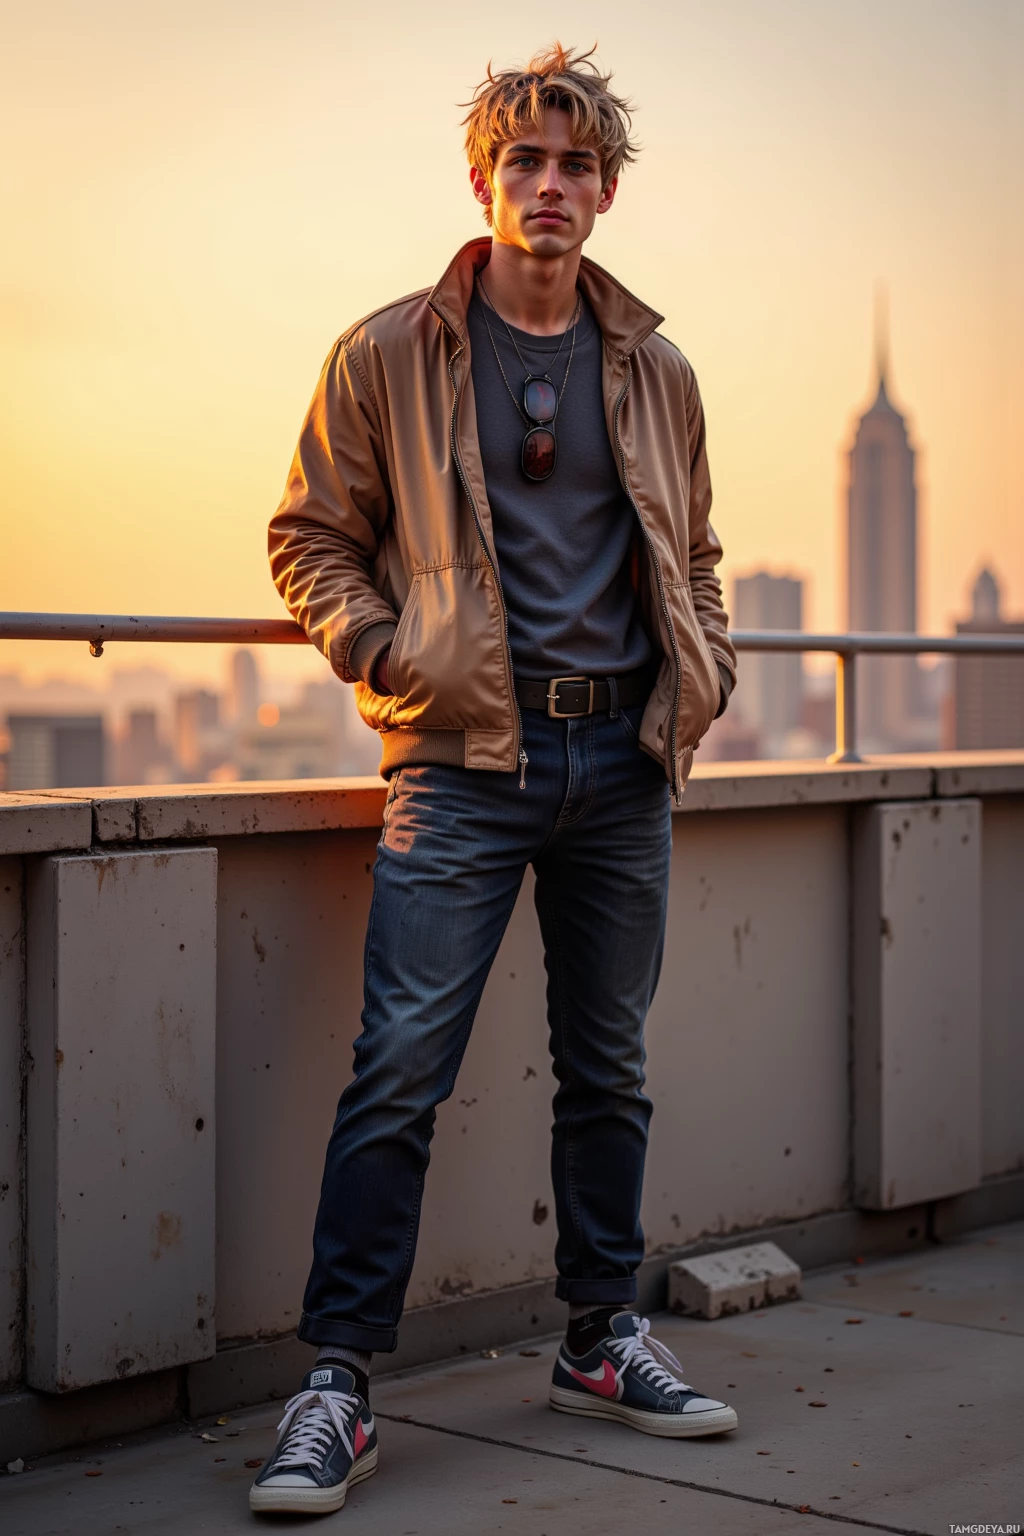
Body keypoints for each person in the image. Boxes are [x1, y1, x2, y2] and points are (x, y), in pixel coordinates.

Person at [250, 43, 738, 1518]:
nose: (551, 185)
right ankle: (337, 1383)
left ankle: (601, 1336)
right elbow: (305, 539)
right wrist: (396, 655)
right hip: (459, 761)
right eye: (525, 160)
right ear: (484, 179)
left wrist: (699, 666)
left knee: (612, 1069)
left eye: (577, 165)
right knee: (397, 1072)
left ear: (605, 191)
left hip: (624, 760)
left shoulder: (657, 370)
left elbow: (697, 553)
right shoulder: (386, 350)